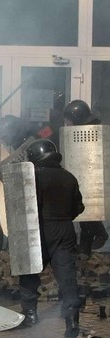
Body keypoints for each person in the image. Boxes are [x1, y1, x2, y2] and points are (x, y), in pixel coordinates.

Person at [20, 139, 84, 337]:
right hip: (65, 229)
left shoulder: (33, 176)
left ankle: (30, 315)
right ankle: (72, 322)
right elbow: (78, 207)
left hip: (38, 228)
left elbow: (24, 207)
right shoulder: (69, 177)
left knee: (29, 272)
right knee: (67, 277)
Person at [62, 99, 109, 255]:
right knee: (85, 216)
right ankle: (84, 250)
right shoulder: (89, 128)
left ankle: (97, 237)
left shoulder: (90, 131)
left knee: (87, 214)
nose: (67, 125)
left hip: (91, 178)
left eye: (68, 121)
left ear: (76, 119)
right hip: (86, 177)